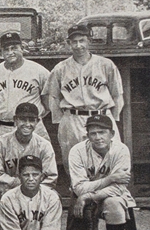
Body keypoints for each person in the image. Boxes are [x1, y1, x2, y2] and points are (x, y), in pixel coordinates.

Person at [67, 115, 149, 230]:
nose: (97, 137)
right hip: (82, 202)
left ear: (112, 134)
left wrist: (90, 195)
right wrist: (110, 179)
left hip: (99, 198)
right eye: (93, 133)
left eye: (102, 132)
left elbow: (119, 187)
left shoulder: (121, 150)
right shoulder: (77, 151)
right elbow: (79, 188)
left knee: (115, 202)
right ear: (87, 135)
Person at [47, 24, 124, 170]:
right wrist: (61, 122)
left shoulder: (105, 64)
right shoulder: (60, 68)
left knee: (110, 160)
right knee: (74, 163)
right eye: (74, 42)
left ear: (89, 40)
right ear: (68, 43)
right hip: (73, 119)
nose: (78, 45)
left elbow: (117, 95)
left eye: (81, 40)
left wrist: (112, 119)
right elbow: (53, 98)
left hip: (101, 116)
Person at [0, 32, 51, 158]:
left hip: (31, 128)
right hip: (0, 127)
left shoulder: (39, 71)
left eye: (14, 48)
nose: (10, 52)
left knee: (36, 170)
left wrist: (33, 119)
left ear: (22, 48)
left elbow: (48, 104)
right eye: (6, 49)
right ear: (1, 52)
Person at [0, 102, 57, 197]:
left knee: (55, 196)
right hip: (7, 191)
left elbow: (51, 176)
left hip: (37, 192)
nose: (27, 124)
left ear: (37, 121)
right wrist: (19, 186)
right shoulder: (0, 143)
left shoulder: (44, 145)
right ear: (15, 120)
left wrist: (32, 190)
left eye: (32, 120)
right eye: (23, 120)